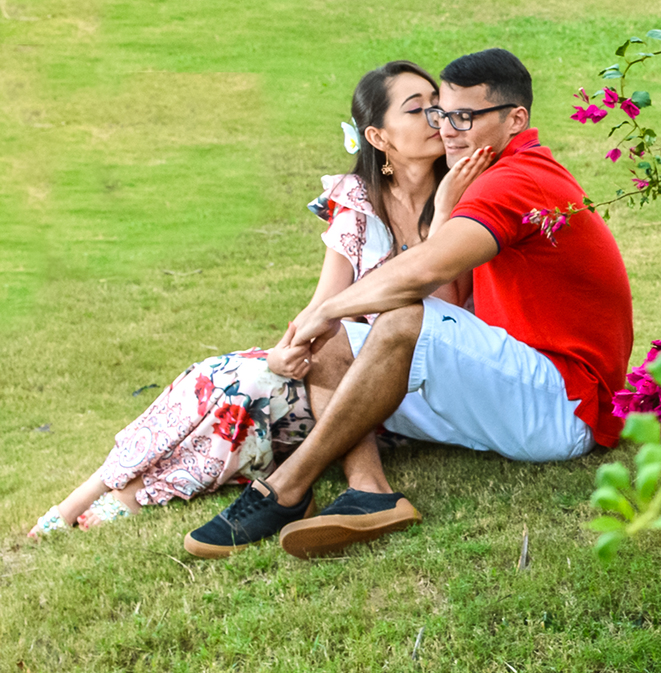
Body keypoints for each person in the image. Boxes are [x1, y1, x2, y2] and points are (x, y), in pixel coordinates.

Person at [184, 48, 635, 560]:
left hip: (564, 406)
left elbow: (424, 273)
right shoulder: (485, 175)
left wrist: (324, 310)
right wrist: (330, 321)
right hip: (516, 387)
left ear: (516, 119)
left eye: (466, 117)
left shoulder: (516, 178)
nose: (447, 129)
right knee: (337, 345)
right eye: (443, 113)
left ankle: (286, 489)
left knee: (401, 317)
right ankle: (370, 492)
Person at [28, 60, 491, 538]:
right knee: (228, 380)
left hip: (398, 381)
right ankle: (98, 495)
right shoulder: (357, 199)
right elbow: (324, 306)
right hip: (335, 374)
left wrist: (444, 211)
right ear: (378, 138)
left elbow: (445, 312)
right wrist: (289, 349)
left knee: (245, 388)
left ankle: (126, 496)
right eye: (419, 110)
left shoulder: (465, 189)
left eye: (440, 106)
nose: (439, 119)